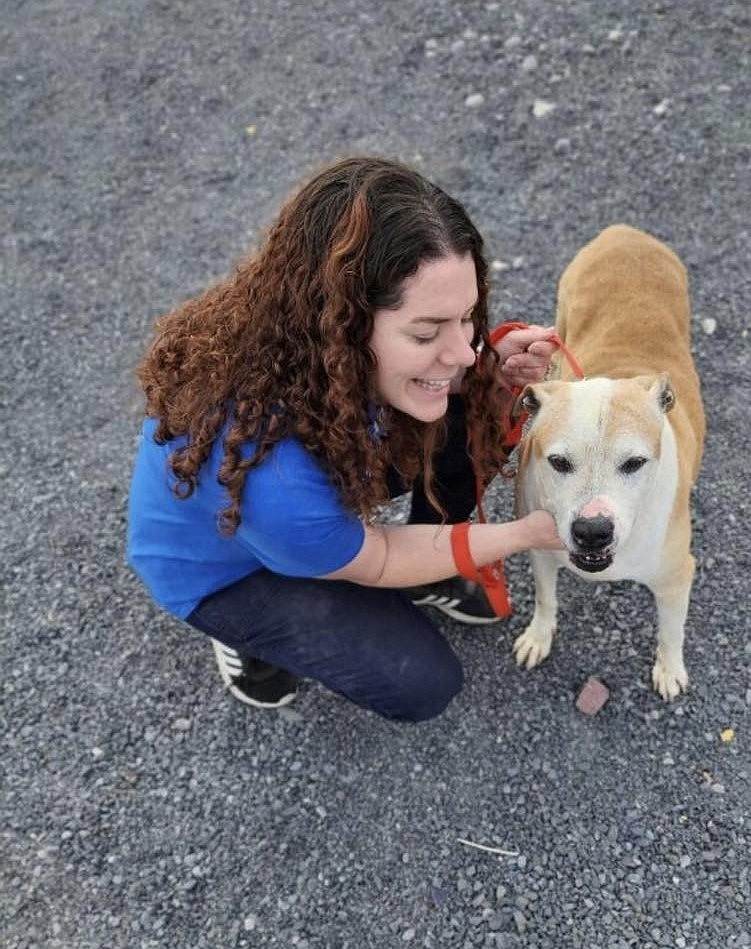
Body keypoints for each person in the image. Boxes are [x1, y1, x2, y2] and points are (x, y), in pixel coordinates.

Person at [127, 155, 563, 722]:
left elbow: (456, 371)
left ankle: (424, 563)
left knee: (461, 408)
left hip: (312, 475)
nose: (464, 350)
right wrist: (524, 532)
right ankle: (250, 644)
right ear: (344, 323)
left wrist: (486, 376)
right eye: (428, 331)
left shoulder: (309, 346)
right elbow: (378, 558)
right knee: (420, 681)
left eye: (467, 318)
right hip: (229, 567)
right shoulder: (275, 482)